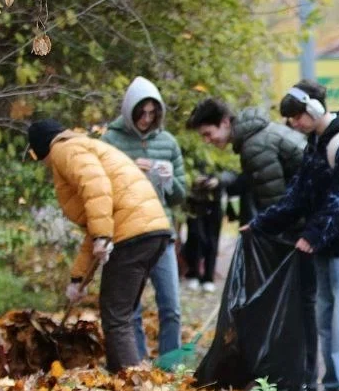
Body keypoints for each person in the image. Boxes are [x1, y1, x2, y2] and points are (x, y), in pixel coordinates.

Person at [249, 81, 339, 391]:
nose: (293, 123)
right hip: (326, 245)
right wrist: (263, 223)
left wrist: (313, 233)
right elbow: (298, 195)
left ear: (314, 109)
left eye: (296, 116)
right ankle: (335, 384)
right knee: (327, 317)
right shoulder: (315, 144)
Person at [186, 96, 317, 391]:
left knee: (301, 307)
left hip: (309, 231)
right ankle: (301, 379)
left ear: (225, 122)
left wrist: (264, 230)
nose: (209, 141)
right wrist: (222, 182)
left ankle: (301, 382)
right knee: (301, 306)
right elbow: (255, 180)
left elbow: (279, 202)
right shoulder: (257, 135)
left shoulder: (255, 143)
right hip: (311, 226)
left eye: (209, 134)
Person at [28, 120, 173, 372]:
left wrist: (103, 236)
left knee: (116, 315)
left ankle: (133, 387)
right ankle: (121, 376)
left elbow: (96, 187)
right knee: (120, 312)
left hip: (132, 233)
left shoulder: (64, 150)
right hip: (150, 229)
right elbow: (94, 221)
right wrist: (77, 279)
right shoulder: (82, 147)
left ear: (41, 148)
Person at [99, 77, 186, 360]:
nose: (146, 119)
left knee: (170, 305)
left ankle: (170, 365)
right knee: (131, 308)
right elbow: (101, 190)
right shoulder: (111, 140)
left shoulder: (168, 142)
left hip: (162, 233)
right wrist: (128, 172)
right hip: (126, 236)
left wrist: (169, 180)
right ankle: (136, 365)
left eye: (152, 113)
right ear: (129, 111)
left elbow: (179, 196)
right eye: (141, 113)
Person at [182, 155, 227, 293]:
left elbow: (233, 172)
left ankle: (208, 277)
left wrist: (218, 180)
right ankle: (194, 273)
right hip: (195, 201)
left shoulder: (221, 149)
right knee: (196, 237)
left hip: (214, 202)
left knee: (212, 240)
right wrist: (192, 179)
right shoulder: (191, 148)